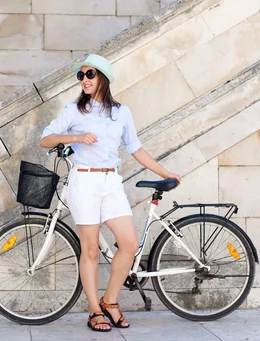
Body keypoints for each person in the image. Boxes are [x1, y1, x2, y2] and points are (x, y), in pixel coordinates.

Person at [39, 54, 182, 332]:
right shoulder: (73, 111)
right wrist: (76, 138)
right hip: (85, 182)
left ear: (102, 77)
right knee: (90, 249)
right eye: (80, 76)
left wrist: (165, 173)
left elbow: (136, 148)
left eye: (89, 74)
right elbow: (46, 139)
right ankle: (95, 310)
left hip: (111, 182)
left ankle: (110, 301)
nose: (84, 80)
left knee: (128, 244)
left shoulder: (121, 113)